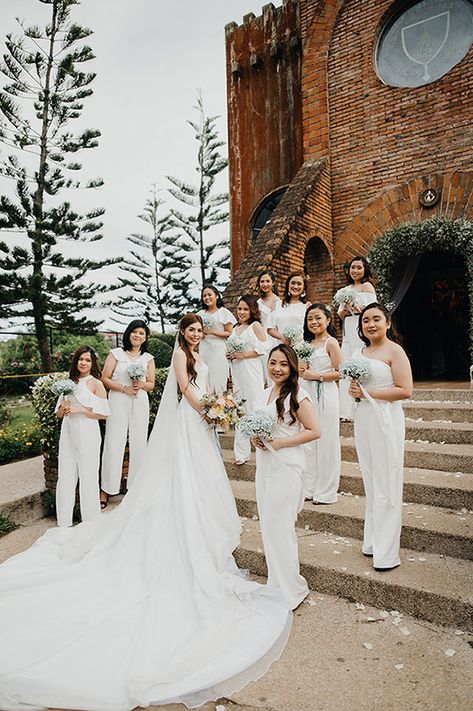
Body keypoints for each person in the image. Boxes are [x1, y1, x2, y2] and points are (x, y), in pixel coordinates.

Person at [0, 314, 292, 710]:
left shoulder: (202, 352)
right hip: (190, 421)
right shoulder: (178, 356)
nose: (194, 334)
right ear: (182, 333)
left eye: (198, 330)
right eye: (189, 330)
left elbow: (204, 384)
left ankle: (202, 535)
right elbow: (187, 390)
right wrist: (209, 409)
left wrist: (217, 407)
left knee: (203, 480)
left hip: (202, 421)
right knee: (184, 479)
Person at [253, 344, 320, 610]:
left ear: (292, 366)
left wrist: (280, 443)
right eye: (273, 363)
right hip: (266, 466)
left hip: (287, 465)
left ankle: (291, 587)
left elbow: (315, 431)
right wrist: (256, 438)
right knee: (269, 526)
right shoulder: (264, 394)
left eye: (283, 364)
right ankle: (276, 583)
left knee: (280, 527)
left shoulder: (298, 395)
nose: (277, 368)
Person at [348, 303, 412, 571]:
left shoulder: (394, 350)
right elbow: (357, 388)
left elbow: (405, 390)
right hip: (364, 418)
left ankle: (387, 553)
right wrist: (355, 391)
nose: (370, 324)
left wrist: (367, 394)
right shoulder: (357, 352)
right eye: (365, 321)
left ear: (387, 322)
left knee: (387, 481)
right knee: (371, 480)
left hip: (386, 418)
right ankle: (372, 542)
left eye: (376, 319)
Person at [100, 319, 155, 507]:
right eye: (134, 332)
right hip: (118, 400)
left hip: (139, 401)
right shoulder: (116, 354)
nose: (137, 336)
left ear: (145, 337)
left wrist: (141, 385)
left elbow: (151, 384)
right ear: (128, 333)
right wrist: (123, 388)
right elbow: (104, 378)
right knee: (114, 442)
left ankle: (136, 486)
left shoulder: (148, 358)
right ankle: (106, 489)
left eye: (141, 333)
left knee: (139, 443)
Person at [55, 346, 109, 527]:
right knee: (66, 475)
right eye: (80, 359)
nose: (83, 363)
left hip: (87, 432)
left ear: (92, 363)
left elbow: (104, 414)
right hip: (68, 432)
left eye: (87, 360)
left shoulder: (96, 383)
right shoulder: (69, 382)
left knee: (88, 475)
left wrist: (79, 409)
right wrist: (62, 409)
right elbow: (59, 414)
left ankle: (90, 521)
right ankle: (64, 521)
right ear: (75, 361)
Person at [299, 304, 343, 505]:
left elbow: (342, 372)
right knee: (308, 443)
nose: (314, 322)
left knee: (326, 443)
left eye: (317, 318)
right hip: (307, 394)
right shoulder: (305, 344)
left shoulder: (331, 343)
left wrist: (316, 376)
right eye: (310, 319)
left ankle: (326, 492)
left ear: (327, 320)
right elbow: (301, 371)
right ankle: (310, 487)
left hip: (326, 394)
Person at [227, 295, 267, 465]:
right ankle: (241, 453)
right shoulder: (235, 328)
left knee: (254, 408)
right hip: (237, 373)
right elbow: (230, 348)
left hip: (251, 371)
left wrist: (243, 355)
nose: (242, 312)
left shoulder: (255, 326)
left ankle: (262, 446)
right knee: (239, 411)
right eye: (240, 308)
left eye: (245, 308)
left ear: (252, 310)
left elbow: (264, 348)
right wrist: (230, 356)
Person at [337, 256, 376, 420]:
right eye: (353, 267)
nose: (355, 271)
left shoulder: (367, 286)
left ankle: (361, 401)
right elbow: (340, 314)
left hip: (361, 328)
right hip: (348, 328)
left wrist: (354, 306)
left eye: (359, 267)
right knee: (345, 363)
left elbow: (372, 310)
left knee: (360, 361)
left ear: (365, 269)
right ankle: (346, 410)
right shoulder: (346, 288)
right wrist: (345, 309)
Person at [198, 284, 236, 391]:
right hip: (204, 348)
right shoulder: (200, 314)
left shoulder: (223, 312)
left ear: (217, 296)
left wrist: (212, 331)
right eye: (204, 295)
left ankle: (219, 403)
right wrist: (202, 334)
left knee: (218, 379)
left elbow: (229, 332)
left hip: (218, 350)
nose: (207, 297)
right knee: (204, 378)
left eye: (209, 294)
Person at [267, 271, 310, 345]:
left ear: (304, 287)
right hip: (280, 347)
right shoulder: (277, 304)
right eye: (293, 283)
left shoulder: (306, 306)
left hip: (300, 346)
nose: (295, 287)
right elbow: (270, 328)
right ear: (288, 285)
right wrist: (282, 338)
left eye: (299, 284)